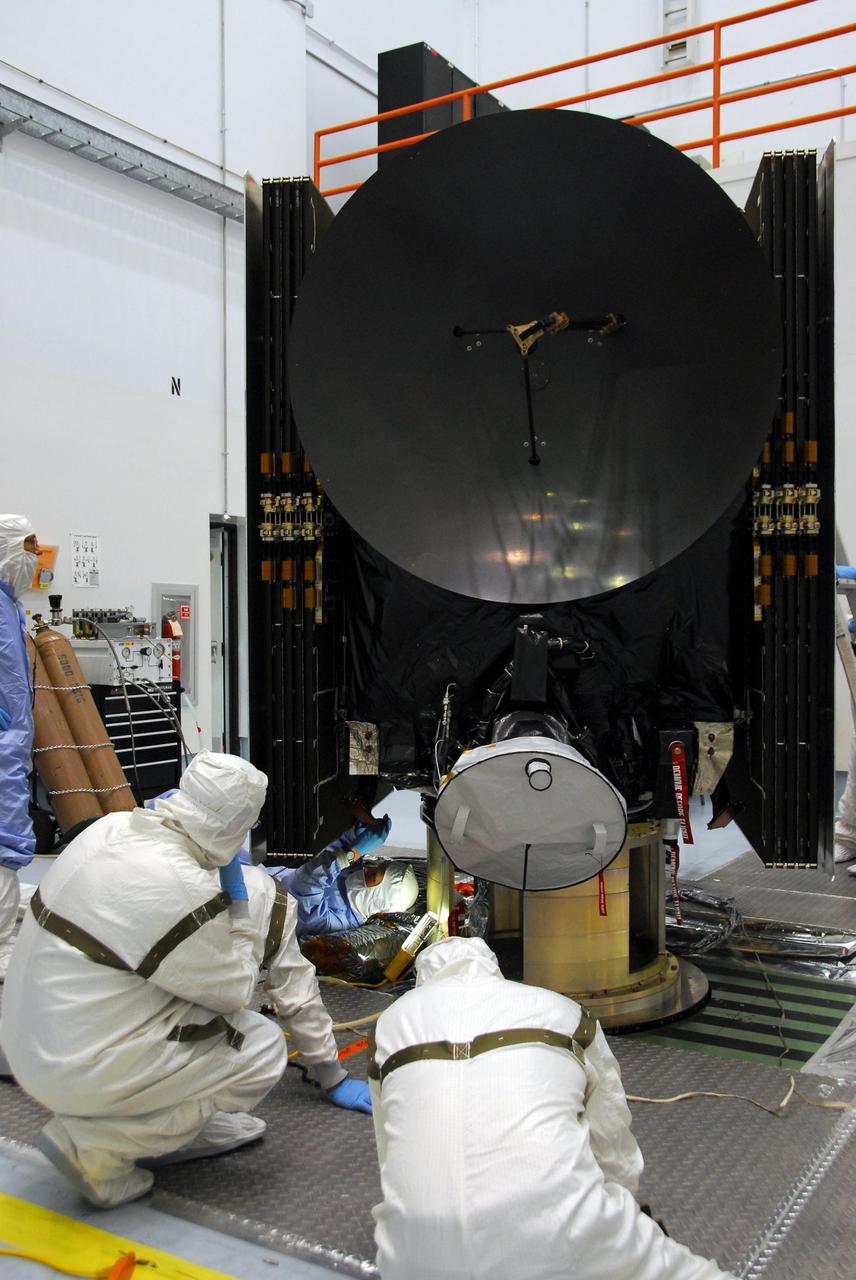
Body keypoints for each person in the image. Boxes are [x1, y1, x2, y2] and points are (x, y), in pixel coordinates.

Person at [0, 751, 371, 1210]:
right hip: (71, 1065)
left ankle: (184, 1118)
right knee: (256, 1045)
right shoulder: (194, 893)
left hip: (25, 1039)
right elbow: (234, 992)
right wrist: (243, 914)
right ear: (242, 824)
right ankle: (99, 1147)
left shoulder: (111, 829)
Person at [368, 936, 737, 1280]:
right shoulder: (564, 1012)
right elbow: (611, 1140)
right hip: (566, 1238)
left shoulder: (388, 1027)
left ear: (423, 983)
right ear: (494, 971)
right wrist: (622, 1212)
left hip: (409, 1261)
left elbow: (391, 1154)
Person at [267, 817, 419, 937]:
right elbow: (334, 852)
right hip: (265, 869)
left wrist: (352, 854)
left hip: (257, 906)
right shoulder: (352, 883)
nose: (366, 869)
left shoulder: (336, 924)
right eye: (375, 865)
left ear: (378, 900)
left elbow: (305, 884)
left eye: (373, 876)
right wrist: (354, 834)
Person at [0, 514, 39, 979]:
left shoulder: (10, 607)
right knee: (5, 838)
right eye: (27, 550)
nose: (33, 561)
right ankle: (2, 945)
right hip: (4, 742)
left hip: (11, 740)